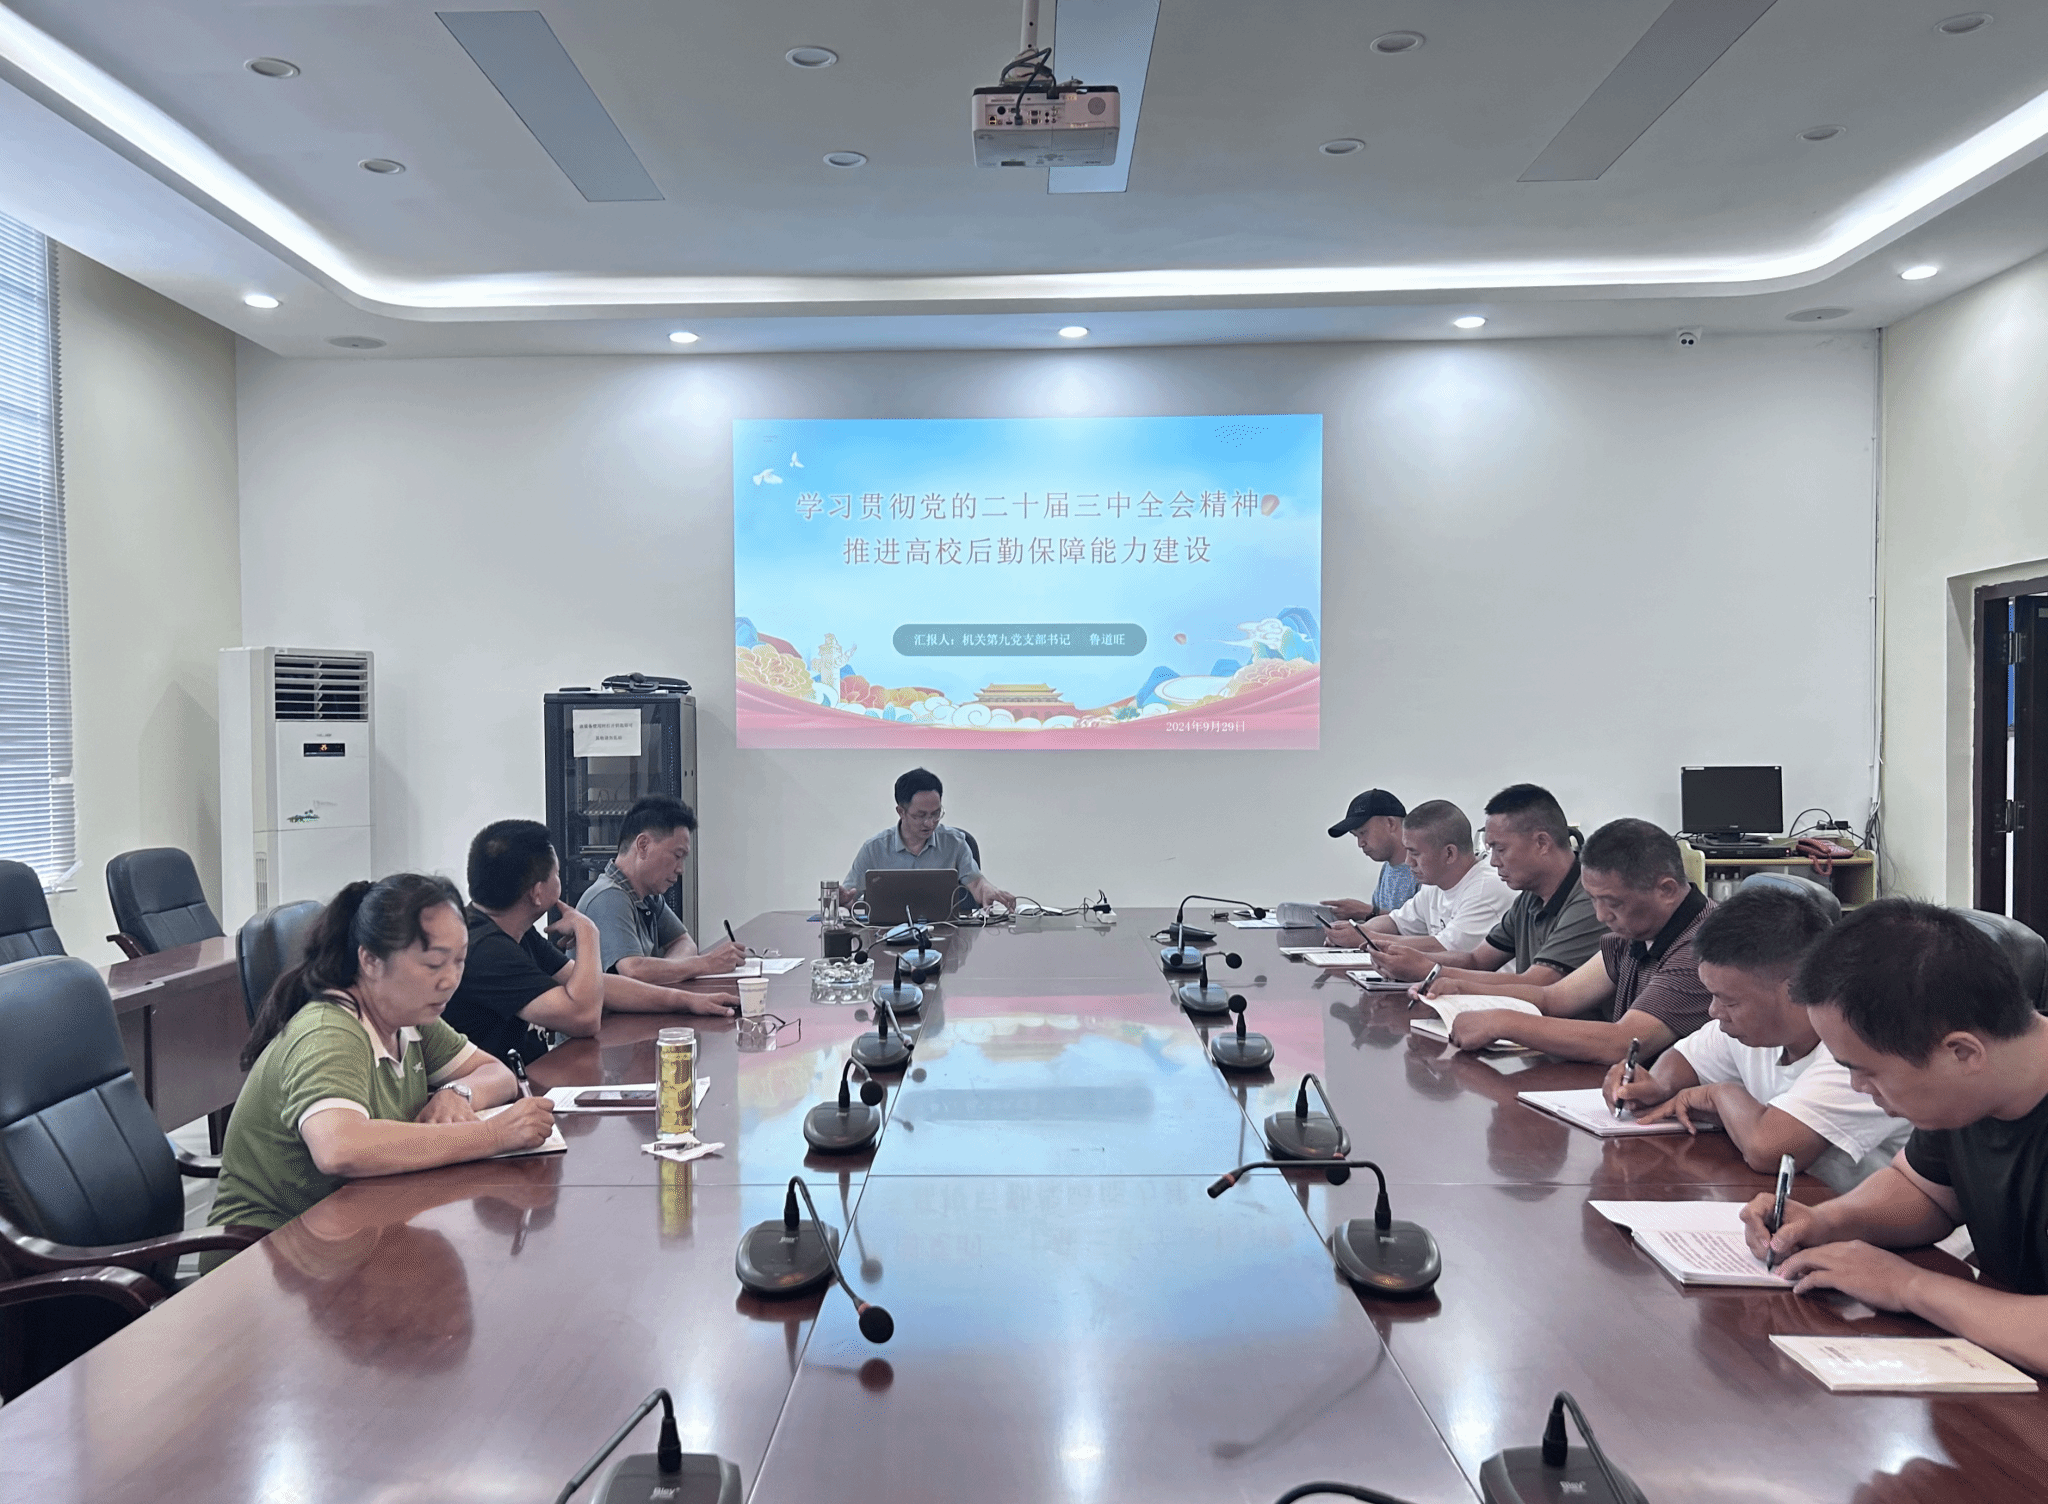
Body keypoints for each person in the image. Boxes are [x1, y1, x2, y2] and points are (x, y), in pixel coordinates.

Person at [1741, 900, 2048, 1370]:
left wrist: (1908, 1286)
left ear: (1962, 1053)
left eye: (1867, 1071)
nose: (1857, 1088)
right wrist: (1827, 1222)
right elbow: (1923, 1190)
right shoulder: (1973, 1093)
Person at [206, 874, 557, 1258]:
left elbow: (498, 1074)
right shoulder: (330, 1031)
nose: (450, 980)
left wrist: (457, 1093)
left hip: (353, 1229)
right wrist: (491, 1136)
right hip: (267, 1257)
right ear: (370, 960)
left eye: (459, 961)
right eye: (434, 964)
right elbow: (340, 1147)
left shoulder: (409, 1016)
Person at [1603, 884, 1910, 1187]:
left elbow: (1770, 1151)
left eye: (1729, 1001)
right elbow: (1686, 1059)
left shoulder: (1858, 1049)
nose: (1714, 1011)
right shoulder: (1755, 1028)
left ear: (1795, 987)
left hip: (1862, 1214)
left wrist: (1717, 1094)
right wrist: (1655, 1085)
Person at [447, 820, 731, 1069]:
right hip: (493, 1097)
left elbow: (601, 985)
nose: (560, 881)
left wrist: (687, 1002)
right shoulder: (487, 949)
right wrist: (588, 932)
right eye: (557, 875)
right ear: (537, 893)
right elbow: (584, 1017)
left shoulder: (514, 931)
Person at [1427, 818, 1712, 1064]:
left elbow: (1623, 1042)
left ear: (1666, 890)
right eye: (1593, 900)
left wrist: (1504, 1023)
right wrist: (1463, 988)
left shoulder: (1703, 947)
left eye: (1613, 903)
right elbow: (1554, 998)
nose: (1601, 916)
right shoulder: (1634, 934)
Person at [1370, 783, 1607, 988]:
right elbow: (1476, 960)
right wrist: (1412, 960)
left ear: (1542, 843)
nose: (1493, 861)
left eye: (1500, 849)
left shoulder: (1590, 900)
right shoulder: (1529, 897)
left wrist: (1429, 970)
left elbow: (1539, 984)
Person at [578, 795, 748, 992]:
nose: (681, 869)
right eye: (677, 855)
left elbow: (684, 942)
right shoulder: (607, 898)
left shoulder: (649, 897)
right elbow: (634, 972)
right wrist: (706, 963)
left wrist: (663, 971)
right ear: (643, 845)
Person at [1329, 800, 1513, 955]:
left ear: (1449, 854)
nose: (1408, 862)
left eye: (1415, 853)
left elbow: (1444, 949)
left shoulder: (1486, 888)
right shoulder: (1433, 884)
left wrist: (1366, 938)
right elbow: (1395, 922)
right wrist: (1353, 932)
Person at [840, 767, 1014, 911]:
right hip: (886, 935)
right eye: (920, 815)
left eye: (936, 814)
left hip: (946, 933)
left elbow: (976, 883)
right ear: (901, 812)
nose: (930, 823)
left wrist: (988, 890)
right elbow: (849, 897)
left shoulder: (955, 843)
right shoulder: (874, 849)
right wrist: (842, 900)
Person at [1322, 789, 1417, 923]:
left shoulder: (1426, 869)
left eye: (1363, 832)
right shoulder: (1387, 869)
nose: (1360, 843)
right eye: (1356, 836)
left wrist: (1368, 912)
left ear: (1390, 823)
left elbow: (1424, 927)